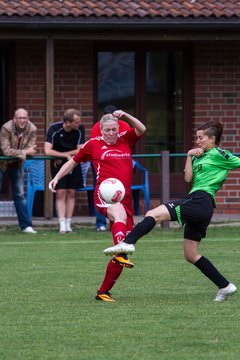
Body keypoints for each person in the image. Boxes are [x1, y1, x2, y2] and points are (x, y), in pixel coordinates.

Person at [104, 121, 240, 302]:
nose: (197, 141)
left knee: (154, 214)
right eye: (197, 137)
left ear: (212, 139)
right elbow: (188, 177)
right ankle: (225, 286)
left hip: (201, 200)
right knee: (190, 255)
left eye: (201, 138)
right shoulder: (199, 155)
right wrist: (189, 155)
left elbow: (236, 162)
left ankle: (128, 243)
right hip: (199, 202)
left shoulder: (219, 154)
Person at [48, 110, 146, 301]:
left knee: (125, 248)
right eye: (107, 130)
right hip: (104, 194)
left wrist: (125, 115)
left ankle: (103, 292)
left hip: (124, 199)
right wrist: (56, 177)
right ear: (100, 130)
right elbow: (73, 163)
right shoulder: (93, 144)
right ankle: (119, 250)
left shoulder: (125, 138)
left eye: (113, 130)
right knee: (119, 222)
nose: (111, 133)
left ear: (118, 129)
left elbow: (141, 128)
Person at [90, 104, 131, 232]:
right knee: (101, 193)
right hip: (102, 164)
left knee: (121, 196)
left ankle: (120, 223)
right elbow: (95, 147)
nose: (111, 132)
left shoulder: (124, 125)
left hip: (118, 162)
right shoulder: (97, 127)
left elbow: (129, 141)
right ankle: (101, 223)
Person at [44, 109, 85, 233]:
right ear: (68, 122)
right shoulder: (54, 129)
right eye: (76, 122)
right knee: (60, 192)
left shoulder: (80, 129)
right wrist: (64, 156)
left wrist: (66, 155)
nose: (79, 124)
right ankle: (61, 224)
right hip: (57, 163)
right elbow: (48, 150)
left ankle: (68, 223)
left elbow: (80, 149)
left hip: (74, 162)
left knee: (72, 192)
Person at [0, 108, 38, 233]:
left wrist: (25, 152)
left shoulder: (32, 128)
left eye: (24, 118)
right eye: (20, 118)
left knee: (20, 195)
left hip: (16, 164)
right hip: (2, 163)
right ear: (14, 119)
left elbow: (32, 149)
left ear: (27, 119)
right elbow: (6, 151)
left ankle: (26, 226)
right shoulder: (6, 128)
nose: (22, 120)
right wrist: (25, 152)